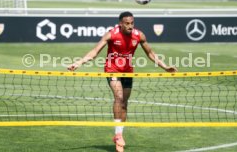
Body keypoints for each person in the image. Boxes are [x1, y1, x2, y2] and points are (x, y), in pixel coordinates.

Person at [68, 11, 177, 152]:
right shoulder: (111, 34)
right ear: (120, 24)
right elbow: (95, 51)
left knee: (124, 104)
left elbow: (150, 53)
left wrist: (165, 67)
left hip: (127, 71)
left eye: (132, 23)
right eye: (127, 23)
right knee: (118, 97)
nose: (130, 26)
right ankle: (118, 135)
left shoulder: (139, 35)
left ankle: (119, 135)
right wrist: (80, 62)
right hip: (112, 70)